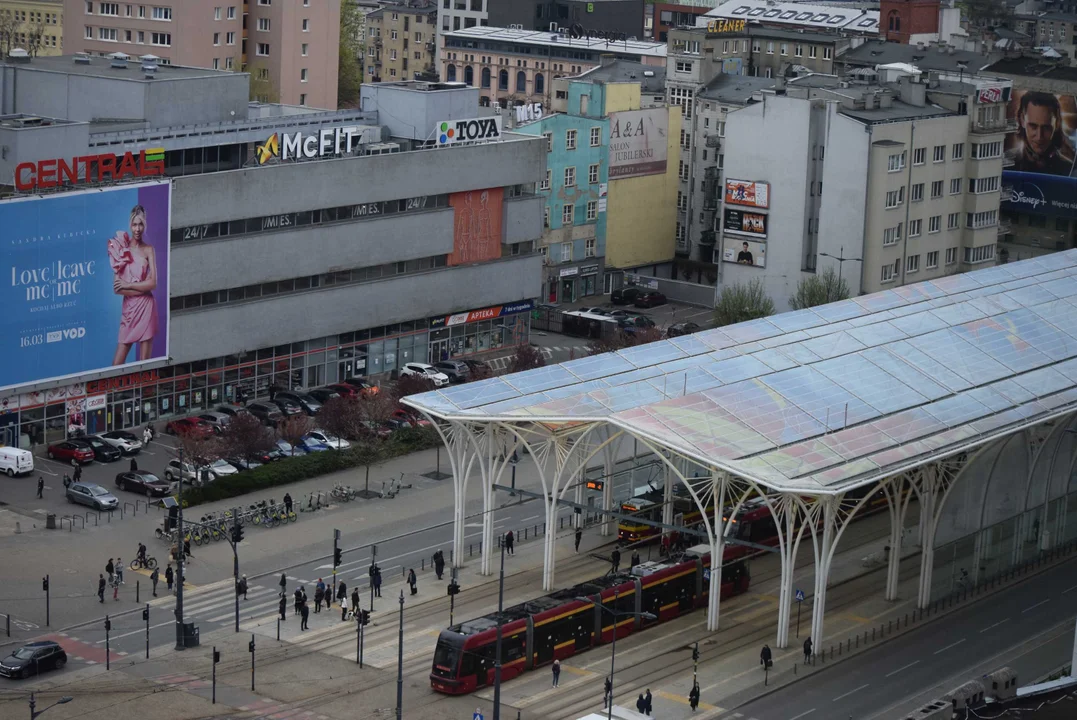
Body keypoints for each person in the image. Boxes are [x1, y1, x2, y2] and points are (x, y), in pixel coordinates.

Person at [108, 204, 159, 365]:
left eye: (141, 224)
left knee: (144, 365)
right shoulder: (121, 249)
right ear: (130, 225)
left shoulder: (149, 250)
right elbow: (117, 288)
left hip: (146, 308)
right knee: (116, 365)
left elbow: (153, 283)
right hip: (129, 310)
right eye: (135, 224)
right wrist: (139, 287)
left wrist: (128, 285)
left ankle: (143, 391)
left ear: (145, 225)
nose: (138, 229)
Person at [1007, 91, 1076, 175]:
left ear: (1057, 123)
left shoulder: (1069, 170)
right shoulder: (1005, 163)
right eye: (1033, 126)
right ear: (1022, 120)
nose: (1039, 136)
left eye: (1046, 127)